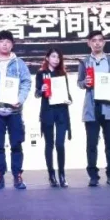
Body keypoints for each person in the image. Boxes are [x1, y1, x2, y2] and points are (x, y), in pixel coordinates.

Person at [0, 30, 32, 190]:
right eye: (1, 41)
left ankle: (17, 175)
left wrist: (20, 99)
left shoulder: (19, 63)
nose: (5, 44)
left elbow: (26, 82)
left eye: (8, 41)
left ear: (12, 44)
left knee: (16, 144)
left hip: (14, 111)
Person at [78, 32, 110, 187]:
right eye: (94, 41)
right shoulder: (85, 62)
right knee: (91, 145)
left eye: (100, 40)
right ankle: (93, 175)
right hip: (92, 107)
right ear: (89, 43)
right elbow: (79, 82)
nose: (97, 43)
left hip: (108, 106)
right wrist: (85, 82)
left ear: (104, 43)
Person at [35, 47, 72, 187]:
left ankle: (62, 174)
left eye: (58, 57)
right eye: (53, 56)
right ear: (47, 58)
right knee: (49, 144)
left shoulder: (62, 73)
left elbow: (67, 94)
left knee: (60, 144)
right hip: (48, 112)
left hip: (61, 111)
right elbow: (36, 93)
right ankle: (51, 174)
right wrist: (42, 90)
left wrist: (69, 100)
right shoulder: (41, 74)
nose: (56, 60)